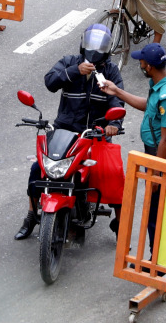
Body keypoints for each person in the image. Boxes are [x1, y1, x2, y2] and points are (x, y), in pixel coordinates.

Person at [14, 24, 125, 240]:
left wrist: (114, 125)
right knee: (39, 169)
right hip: (64, 132)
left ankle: (120, 225)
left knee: (113, 174)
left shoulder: (111, 72)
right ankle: (30, 214)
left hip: (94, 135)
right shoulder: (69, 62)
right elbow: (50, 82)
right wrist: (75, 71)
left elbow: (117, 101)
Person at [99, 43, 166, 256]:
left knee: (155, 212)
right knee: (152, 209)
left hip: (158, 156)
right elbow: (148, 105)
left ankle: (157, 267)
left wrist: (156, 174)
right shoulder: (161, 84)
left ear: (149, 67)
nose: (140, 63)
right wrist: (116, 91)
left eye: (142, 61)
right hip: (152, 153)